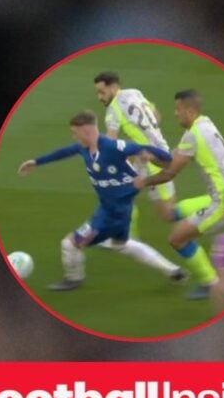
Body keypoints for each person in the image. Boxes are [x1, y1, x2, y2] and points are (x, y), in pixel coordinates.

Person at [18, 110, 184, 291]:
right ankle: (173, 270)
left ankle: (73, 279)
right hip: (119, 210)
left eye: (75, 132)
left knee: (70, 244)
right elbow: (64, 152)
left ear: (86, 130)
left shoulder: (113, 147)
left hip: (109, 216)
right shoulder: (83, 148)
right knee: (121, 245)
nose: (74, 137)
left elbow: (152, 151)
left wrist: (156, 157)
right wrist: (36, 162)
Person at [134, 89, 224, 300]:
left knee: (177, 239)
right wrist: (150, 156)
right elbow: (171, 159)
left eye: (178, 109)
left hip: (223, 202)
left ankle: (210, 282)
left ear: (189, 111)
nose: (175, 114)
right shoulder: (205, 124)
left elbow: (169, 173)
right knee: (174, 213)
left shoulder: (193, 135)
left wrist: (144, 181)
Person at [93, 71, 178, 224]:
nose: (99, 97)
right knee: (121, 197)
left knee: (169, 214)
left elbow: (111, 143)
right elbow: (157, 116)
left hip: (153, 161)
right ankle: (125, 235)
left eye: (102, 92)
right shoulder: (135, 92)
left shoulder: (113, 110)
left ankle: (215, 207)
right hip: (151, 154)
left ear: (113, 87)